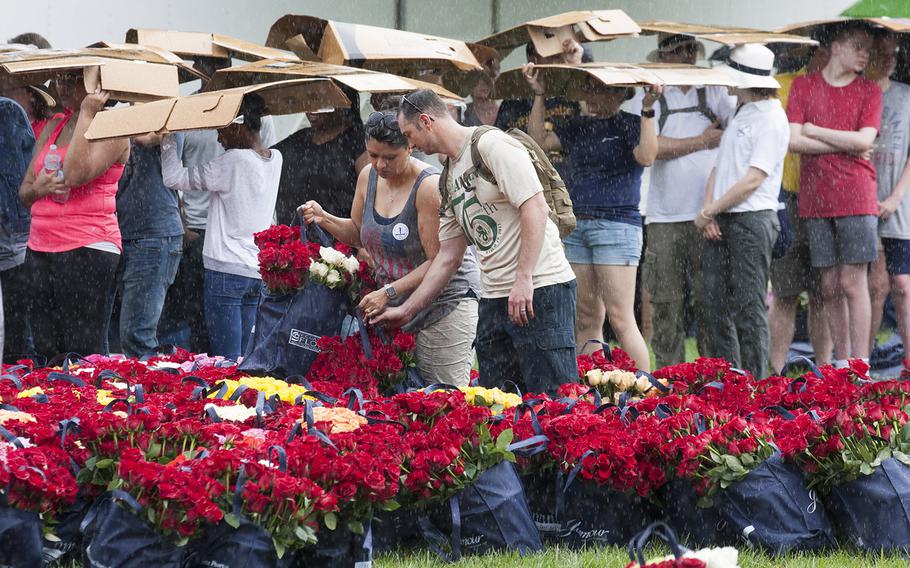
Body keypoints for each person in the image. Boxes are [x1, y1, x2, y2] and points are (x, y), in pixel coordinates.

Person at [374, 89, 578, 396]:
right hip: (494, 297)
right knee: (498, 403)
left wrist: (523, 279)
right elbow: (448, 257)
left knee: (553, 403)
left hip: (541, 287)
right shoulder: (447, 176)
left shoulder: (491, 145)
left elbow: (535, 208)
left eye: (408, 134)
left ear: (426, 121)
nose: (410, 144)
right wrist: (407, 310)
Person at [300, 107, 481, 385]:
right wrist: (324, 218)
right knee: (398, 397)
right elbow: (360, 234)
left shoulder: (428, 187)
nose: (381, 165)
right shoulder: (368, 177)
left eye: (390, 157)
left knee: (441, 399)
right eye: (373, 155)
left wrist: (389, 291)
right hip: (395, 306)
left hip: (443, 303)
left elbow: (438, 260)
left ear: (410, 146)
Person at [524, 49, 660, 371]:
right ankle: (593, 388)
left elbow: (647, 156)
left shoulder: (629, 123)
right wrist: (539, 94)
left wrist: (648, 109)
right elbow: (537, 144)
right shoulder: (576, 125)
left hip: (617, 226)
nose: (590, 96)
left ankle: (647, 392)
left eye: (598, 89)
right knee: (585, 316)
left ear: (618, 93)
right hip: (577, 224)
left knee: (620, 316)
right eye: (588, 88)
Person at [159, 56, 275, 354]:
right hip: (254, 270)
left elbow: (173, 177)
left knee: (224, 359)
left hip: (225, 273)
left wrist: (169, 134)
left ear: (238, 126)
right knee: (245, 358)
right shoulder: (276, 160)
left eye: (221, 128)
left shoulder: (231, 162)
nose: (218, 137)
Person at [639, 33, 737, 368]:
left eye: (691, 49)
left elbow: (739, 127)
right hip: (663, 218)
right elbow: (650, 151)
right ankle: (670, 382)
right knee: (666, 306)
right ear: (663, 57)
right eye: (679, 50)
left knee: (712, 304)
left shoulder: (715, 88)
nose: (688, 55)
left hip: (708, 215)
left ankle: (713, 381)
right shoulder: (647, 95)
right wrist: (702, 141)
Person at [788, 22, 882, 367]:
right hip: (815, 200)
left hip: (857, 196)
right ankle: (841, 365)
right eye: (858, 46)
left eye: (868, 49)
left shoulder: (869, 91)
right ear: (836, 47)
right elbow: (792, 140)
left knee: (852, 282)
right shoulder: (804, 85)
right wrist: (845, 143)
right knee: (828, 284)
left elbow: (864, 141)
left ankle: (861, 364)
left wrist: (816, 130)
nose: (865, 54)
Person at [695, 44, 789, 379]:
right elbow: (720, 168)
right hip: (724, 216)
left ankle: (756, 384)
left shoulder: (773, 117)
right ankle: (729, 379)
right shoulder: (741, 110)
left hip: (752, 219)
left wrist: (710, 210)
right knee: (714, 302)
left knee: (749, 306)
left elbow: (753, 179)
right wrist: (710, 211)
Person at [18, 76, 129, 358]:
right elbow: (25, 191)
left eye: (72, 81)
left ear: (95, 86)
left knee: (81, 351)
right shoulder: (56, 122)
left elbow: (76, 174)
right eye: (60, 79)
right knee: (46, 349)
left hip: (87, 247)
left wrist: (88, 113)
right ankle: (50, 403)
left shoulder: (114, 126)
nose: (62, 87)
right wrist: (39, 189)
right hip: (40, 247)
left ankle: (84, 401)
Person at [768, 44, 833, 373]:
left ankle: (824, 369)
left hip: (827, 198)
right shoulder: (782, 85)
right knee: (785, 290)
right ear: (818, 52)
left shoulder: (841, 89)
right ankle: (776, 372)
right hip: (788, 195)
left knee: (824, 291)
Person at [113, 133, 184, 358]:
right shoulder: (129, 116)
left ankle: (155, 390)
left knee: (137, 335)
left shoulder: (169, 116)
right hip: (128, 233)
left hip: (154, 237)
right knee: (127, 333)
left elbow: (147, 138)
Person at [866, 31, 910, 366]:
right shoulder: (859, 93)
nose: (889, 60)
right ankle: (860, 366)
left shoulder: (907, 96)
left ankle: (908, 366)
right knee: (874, 287)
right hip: (863, 202)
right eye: (883, 53)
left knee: (902, 285)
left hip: (898, 204)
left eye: (893, 54)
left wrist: (895, 196)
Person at [272, 102, 369, 224]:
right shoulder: (297, 141)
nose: (311, 110)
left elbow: (370, 194)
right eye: (308, 101)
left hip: (340, 236)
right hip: (294, 237)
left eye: (319, 102)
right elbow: (264, 159)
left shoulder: (359, 141)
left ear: (342, 102)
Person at [0, 96, 34, 361]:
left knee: (16, 329)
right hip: (13, 233)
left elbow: (18, 180)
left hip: (12, 236)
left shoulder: (7, 111)